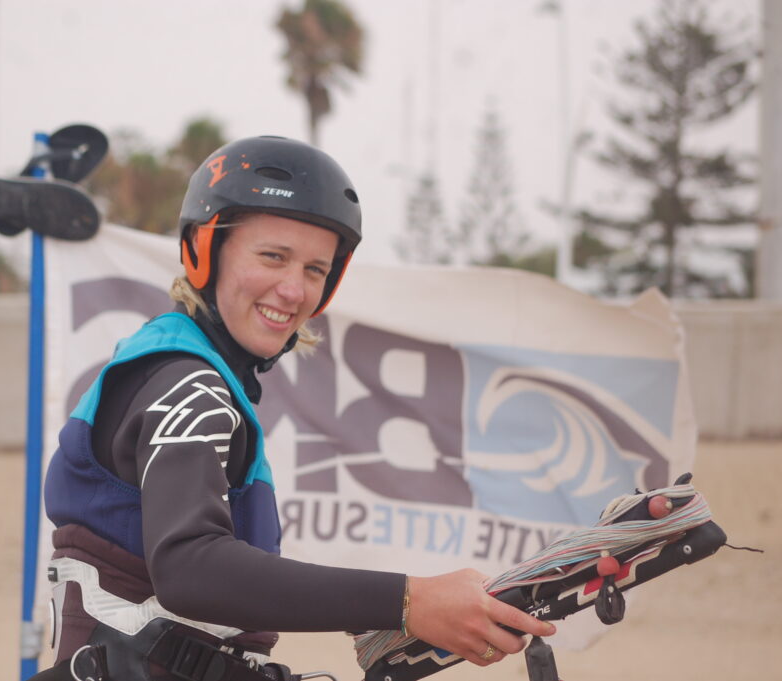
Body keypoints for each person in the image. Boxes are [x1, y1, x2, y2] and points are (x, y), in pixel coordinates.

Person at [36, 135, 555, 681]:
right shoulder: (188, 386)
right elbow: (189, 568)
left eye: (315, 269)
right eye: (273, 256)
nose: (293, 289)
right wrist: (409, 601)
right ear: (202, 249)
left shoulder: (180, 371)